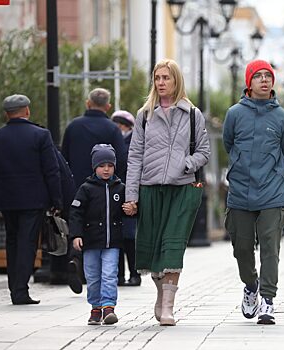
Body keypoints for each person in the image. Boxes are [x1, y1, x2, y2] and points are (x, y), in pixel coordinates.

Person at [123, 58, 210, 326]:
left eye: (166, 78)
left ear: (176, 81)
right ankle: (161, 297)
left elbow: (203, 152)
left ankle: (168, 306)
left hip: (182, 190)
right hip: (150, 190)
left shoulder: (192, 114)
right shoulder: (145, 115)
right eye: (157, 78)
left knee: (172, 247)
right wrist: (131, 196)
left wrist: (185, 164)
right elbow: (134, 155)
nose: (161, 83)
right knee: (152, 250)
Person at [223, 59, 284, 325]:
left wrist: (276, 176)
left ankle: (267, 300)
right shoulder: (234, 114)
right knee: (241, 248)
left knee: (270, 248)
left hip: (272, 193)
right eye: (258, 76)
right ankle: (250, 286)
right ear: (248, 83)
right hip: (240, 191)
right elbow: (229, 143)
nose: (264, 80)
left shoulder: (283, 118)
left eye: (268, 76)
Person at [0, 94, 62, 305]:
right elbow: (51, 170)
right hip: (33, 200)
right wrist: (57, 200)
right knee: (27, 243)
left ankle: (15, 287)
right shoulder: (40, 135)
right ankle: (20, 291)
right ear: (27, 111)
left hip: (6, 199)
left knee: (12, 241)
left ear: (7, 114)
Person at [61, 88, 127, 294]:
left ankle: (75, 259)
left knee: (79, 225)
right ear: (107, 107)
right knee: (107, 227)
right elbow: (123, 160)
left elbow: (63, 159)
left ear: (88, 104)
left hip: (77, 188)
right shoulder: (113, 129)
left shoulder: (73, 126)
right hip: (107, 191)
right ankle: (112, 272)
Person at [70, 144, 124, 325]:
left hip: (112, 242)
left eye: (110, 165)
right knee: (92, 276)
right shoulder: (86, 188)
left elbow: (129, 211)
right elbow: (75, 213)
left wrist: (132, 209)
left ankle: (109, 307)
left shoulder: (120, 188)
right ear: (95, 167)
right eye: (102, 165)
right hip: (91, 242)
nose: (106, 169)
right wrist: (76, 235)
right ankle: (95, 308)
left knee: (110, 274)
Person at [111, 110, 141, 286]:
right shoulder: (115, 142)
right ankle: (120, 275)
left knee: (129, 236)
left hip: (129, 193)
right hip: (115, 193)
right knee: (118, 236)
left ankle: (135, 273)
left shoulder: (133, 143)